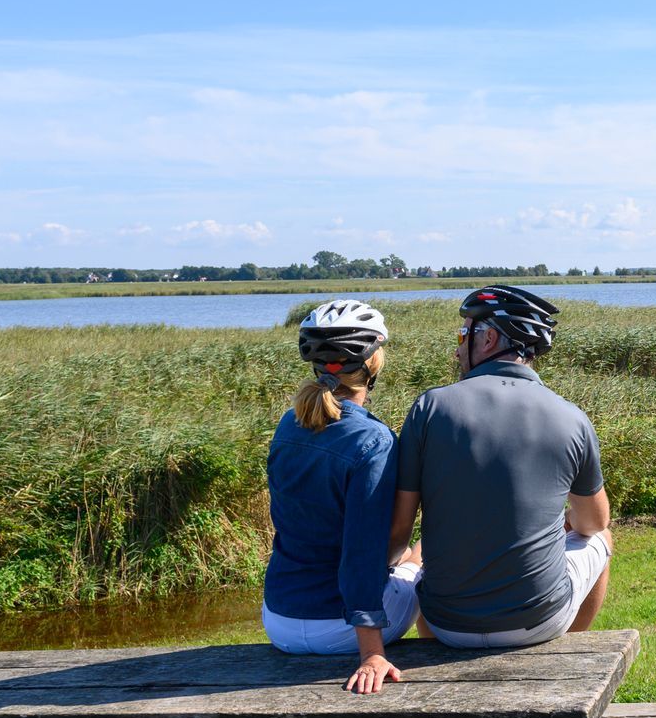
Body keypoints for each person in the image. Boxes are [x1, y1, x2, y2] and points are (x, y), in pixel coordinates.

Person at [393, 285, 612, 648]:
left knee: (420, 553)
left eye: (464, 333)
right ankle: (568, 648)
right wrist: (564, 522)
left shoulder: (429, 408)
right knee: (602, 538)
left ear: (490, 337)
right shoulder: (571, 417)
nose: (457, 347)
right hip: (538, 623)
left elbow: (400, 525)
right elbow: (594, 522)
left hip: (446, 626)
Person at [261, 300, 420, 694]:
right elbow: (361, 554)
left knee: (406, 556)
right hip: (338, 629)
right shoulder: (374, 440)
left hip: (279, 619)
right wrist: (371, 653)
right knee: (429, 557)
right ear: (373, 363)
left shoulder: (290, 421)